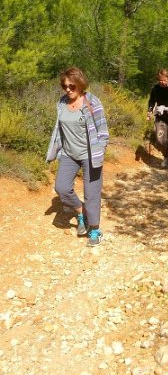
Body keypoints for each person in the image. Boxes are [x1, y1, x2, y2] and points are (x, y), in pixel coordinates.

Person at [46, 67, 109, 247]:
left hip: (90, 155)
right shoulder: (61, 103)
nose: (68, 89)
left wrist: (100, 150)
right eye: (64, 86)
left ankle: (95, 230)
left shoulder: (92, 102)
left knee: (91, 194)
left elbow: (103, 131)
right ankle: (81, 212)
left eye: (71, 86)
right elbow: (59, 130)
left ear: (80, 84)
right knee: (62, 188)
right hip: (69, 154)